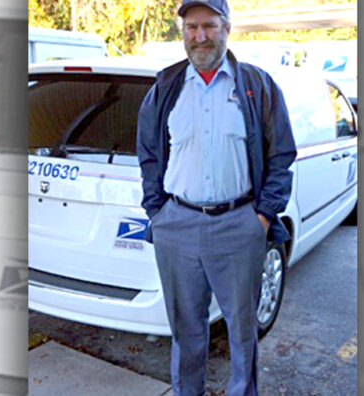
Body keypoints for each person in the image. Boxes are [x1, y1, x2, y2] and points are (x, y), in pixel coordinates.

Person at [136, 0, 296, 395]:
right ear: (183, 31)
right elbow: (149, 155)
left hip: (238, 226)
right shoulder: (166, 88)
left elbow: (281, 154)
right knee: (185, 331)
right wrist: (158, 212)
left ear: (227, 27)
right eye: (192, 27)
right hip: (177, 225)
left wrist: (261, 217)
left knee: (243, 334)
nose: (200, 36)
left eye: (209, 25)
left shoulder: (257, 87)